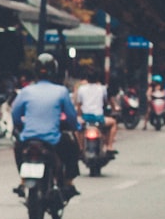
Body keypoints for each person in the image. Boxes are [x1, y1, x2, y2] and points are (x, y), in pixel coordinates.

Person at [11, 52, 81, 199]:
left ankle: (22, 180)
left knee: (18, 147)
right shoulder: (61, 91)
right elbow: (72, 117)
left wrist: (21, 126)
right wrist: (75, 127)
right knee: (72, 146)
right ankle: (68, 182)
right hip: (52, 140)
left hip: (28, 138)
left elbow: (15, 114)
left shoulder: (26, 91)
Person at [73, 68, 116, 153]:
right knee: (113, 122)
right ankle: (109, 146)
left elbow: (79, 105)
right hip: (99, 118)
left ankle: (80, 148)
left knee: (76, 128)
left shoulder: (81, 89)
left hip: (86, 118)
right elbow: (106, 101)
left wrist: (78, 115)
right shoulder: (102, 89)